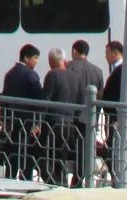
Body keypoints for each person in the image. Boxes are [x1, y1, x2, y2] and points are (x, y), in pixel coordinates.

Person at [62, 39, 104, 187]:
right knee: (85, 150)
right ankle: (81, 178)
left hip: (72, 116)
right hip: (90, 118)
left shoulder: (69, 67)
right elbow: (99, 97)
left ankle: (66, 179)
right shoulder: (98, 71)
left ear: (74, 51)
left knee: (66, 148)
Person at [2, 43, 44, 180]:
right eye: (35, 58)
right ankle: (25, 180)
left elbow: (4, 98)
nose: (37, 61)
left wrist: (4, 118)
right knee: (26, 152)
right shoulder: (31, 76)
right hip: (27, 122)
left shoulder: (9, 74)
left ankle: (10, 178)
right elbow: (39, 100)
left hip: (12, 120)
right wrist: (38, 122)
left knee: (12, 152)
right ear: (26, 58)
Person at [40, 48, 72, 185]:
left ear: (51, 60)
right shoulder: (74, 76)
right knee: (61, 158)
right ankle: (63, 185)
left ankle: (53, 185)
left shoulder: (52, 75)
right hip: (69, 124)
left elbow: (46, 101)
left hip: (53, 123)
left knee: (45, 160)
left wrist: (38, 122)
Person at [101, 40, 124, 187]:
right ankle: (116, 177)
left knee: (113, 150)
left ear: (115, 53)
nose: (105, 57)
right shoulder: (118, 69)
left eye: (107, 53)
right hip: (111, 117)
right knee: (110, 149)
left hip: (115, 118)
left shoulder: (121, 70)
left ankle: (117, 179)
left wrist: (116, 116)